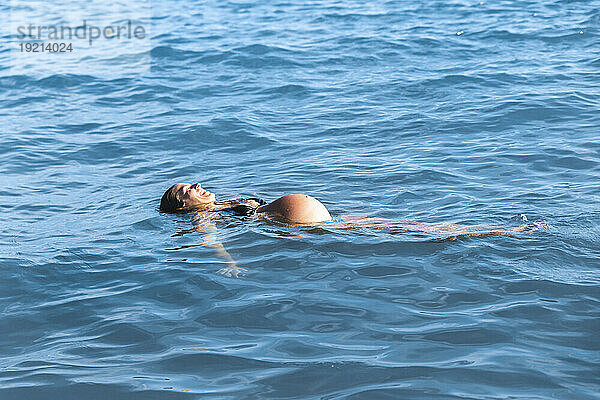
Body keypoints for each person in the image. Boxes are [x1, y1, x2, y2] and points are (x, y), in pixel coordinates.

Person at [160, 182, 541, 276]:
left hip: (325, 219)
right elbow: (209, 239)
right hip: (303, 226)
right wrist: (229, 262)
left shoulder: (223, 200)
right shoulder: (202, 217)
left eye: (192, 183)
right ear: (182, 206)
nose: (195, 186)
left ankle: (491, 231)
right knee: (399, 232)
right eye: (185, 190)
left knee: (402, 224)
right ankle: (494, 236)